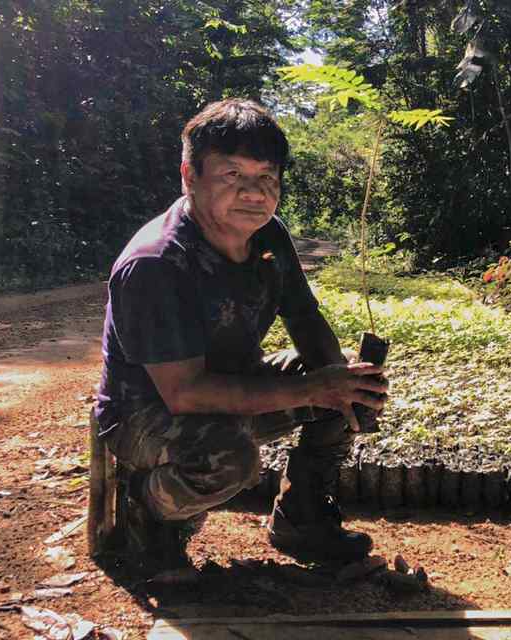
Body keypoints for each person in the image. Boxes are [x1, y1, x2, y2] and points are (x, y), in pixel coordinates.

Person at [94, 98, 388, 575]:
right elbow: (184, 392)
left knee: (349, 382)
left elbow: (305, 317)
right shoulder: (156, 264)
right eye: (232, 175)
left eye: (266, 178)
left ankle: (302, 516)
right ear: (190, 175)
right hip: (146, 412)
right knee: (229, 456)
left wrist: (344, 388)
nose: (253, 193)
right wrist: (314, 388)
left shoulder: (268, 235)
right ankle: (148, 515)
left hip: (232, 382)